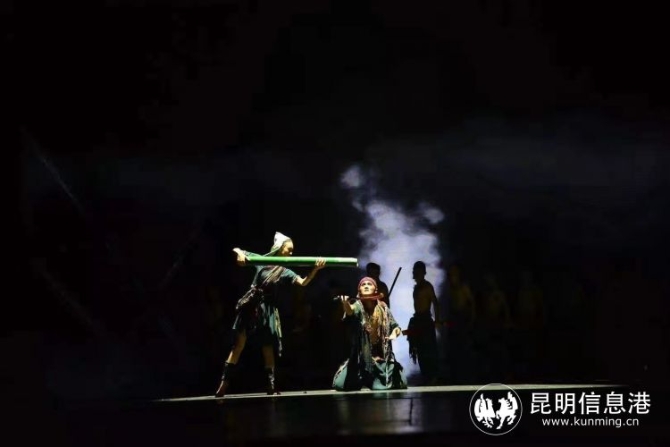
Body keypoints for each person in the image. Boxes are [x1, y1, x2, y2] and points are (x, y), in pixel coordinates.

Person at [215, 232, 325, 397]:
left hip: (268, 309)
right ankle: (224, 383)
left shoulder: (285, 271)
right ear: (280, 248)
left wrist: (315, 269)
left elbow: (303, 282)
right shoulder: (261, 261)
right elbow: (237, 249)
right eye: (289, 250)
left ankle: (271, 385)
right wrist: (240, 256)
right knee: (238, 345)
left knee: (267, 346)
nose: (291, 253)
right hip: (252, 305)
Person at [332, 277, 407, 391]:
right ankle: (364, 377)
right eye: (363, 285)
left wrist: (394, 334)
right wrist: (345, 303)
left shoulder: (383, 307)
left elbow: (395, 327)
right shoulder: (358, 305)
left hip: (379, 358)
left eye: (369, 284)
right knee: (341, 384)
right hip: (361, 359)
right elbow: (350, 311)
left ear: (375, 289)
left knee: (398, 381)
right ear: (359, 290)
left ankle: (375, 377)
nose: (366, 286)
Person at [406, 261, 441, 385]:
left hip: (426, 320)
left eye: (419, 271)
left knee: (429, 349)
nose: (416, 274)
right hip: (418, 320)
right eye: (415, 271)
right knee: (420, 349)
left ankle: (433, 376)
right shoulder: (416, 287)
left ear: (423, 272)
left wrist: (437, 320)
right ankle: (426, 376)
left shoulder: (427, 286)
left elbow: (435, 303)